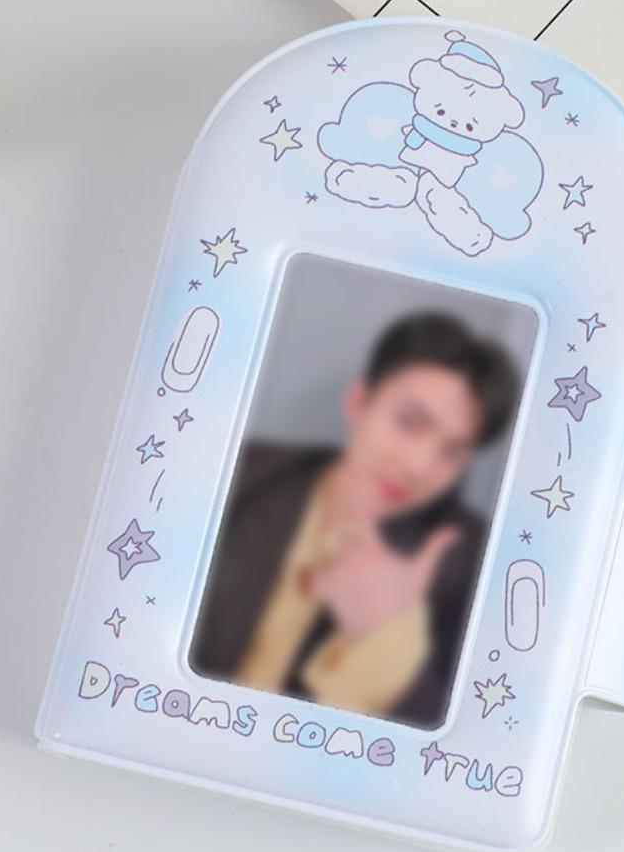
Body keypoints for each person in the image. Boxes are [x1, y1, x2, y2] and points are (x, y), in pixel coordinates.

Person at [189, 310, 520, 728]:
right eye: (409, 422)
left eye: (452, 451)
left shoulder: (472, 563)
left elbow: (465, 737)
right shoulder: (239, 474)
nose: (419, 466)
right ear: (359, 401)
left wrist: (389, 639)